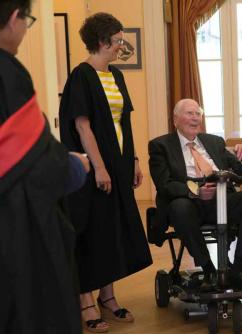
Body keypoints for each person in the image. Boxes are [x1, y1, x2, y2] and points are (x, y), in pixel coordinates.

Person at [59, 12, 152, 333]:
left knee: (112, 232)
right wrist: (99, 168)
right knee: (91, 233)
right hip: (93, 171)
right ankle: (86, 300)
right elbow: (82, 127)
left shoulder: (117, 76)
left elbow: (123, 122)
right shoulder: (81, 76)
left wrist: (135, 160)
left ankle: (108, 297)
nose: (120, 47)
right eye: (117, 41)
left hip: (120, 166)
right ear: (101, 42)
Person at [0, 1, 89, 333]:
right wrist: (75, 166)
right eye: (27, 20)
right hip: (14, 231)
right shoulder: (6, 73)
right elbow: (41, 167)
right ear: (13, 18)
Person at [148, 98, 242, 291]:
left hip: (221, 199)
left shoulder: (214, 142)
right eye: (190, 113)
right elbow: (164, 185)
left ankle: (237, 269)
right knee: (179, 207)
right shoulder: (160, 146)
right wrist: (195, 192)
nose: (195, 118)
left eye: (198, 114)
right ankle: (208, 269)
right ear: (175, 119)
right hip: (189, 203)